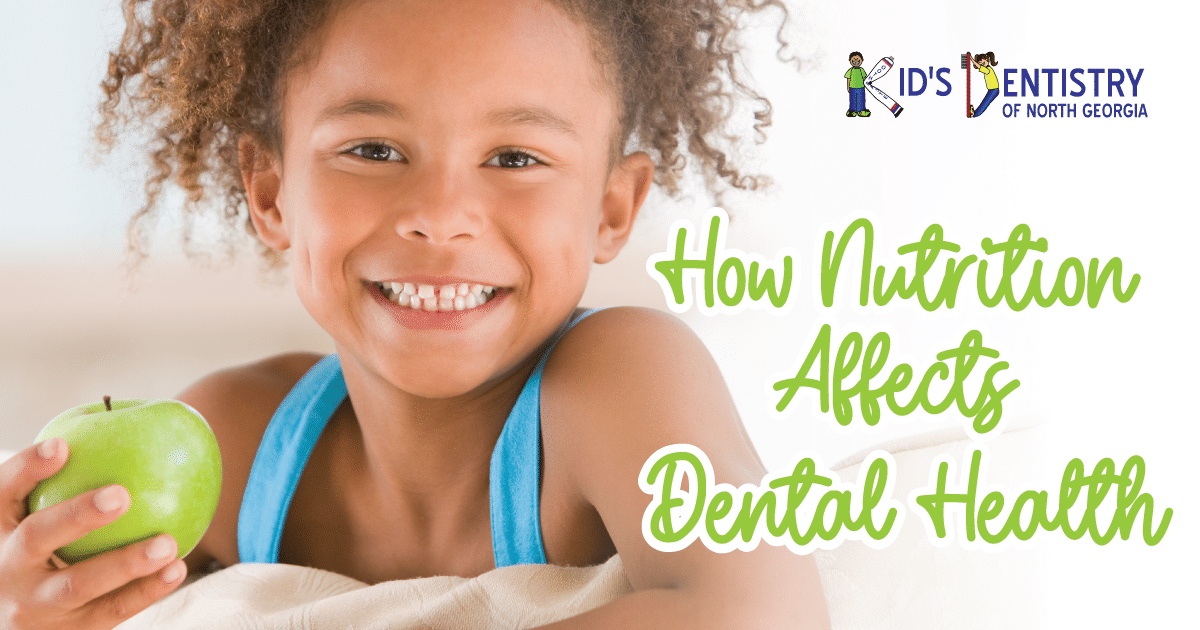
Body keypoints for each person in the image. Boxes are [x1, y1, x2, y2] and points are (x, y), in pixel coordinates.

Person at [0, 0, 830, 628]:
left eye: (515, 157)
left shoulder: (620, 376)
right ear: (270, 193)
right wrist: (35, 598)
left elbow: (759, 611)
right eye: (373, 151)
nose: (439, 213)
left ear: (613, 211)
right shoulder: (238, 443)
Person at [969, 51, 1000, 117]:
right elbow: (978, 66)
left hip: (993, 90)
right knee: (985, 103)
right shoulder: (987, 68)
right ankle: (974, 113)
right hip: (992, 90)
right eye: (981, 63)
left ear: (987, 60)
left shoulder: (987, 70)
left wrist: (971, 58)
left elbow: (978, 66)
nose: (982, 65)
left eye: (983, 63)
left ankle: (974, 114)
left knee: (985, 103)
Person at [845, 52, 870, 117]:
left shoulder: (861, 70)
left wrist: (868, 82)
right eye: (853, 59)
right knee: (853, 99)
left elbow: (865, 78)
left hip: (861, 87)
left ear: (862, 60)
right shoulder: (850, 70)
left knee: (861, 99)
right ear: (850, 60)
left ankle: (861, 110)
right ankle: (852, 111)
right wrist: (848, 87)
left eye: (858, 59)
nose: (856, 61)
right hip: (852, 87)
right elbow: (848, 79)